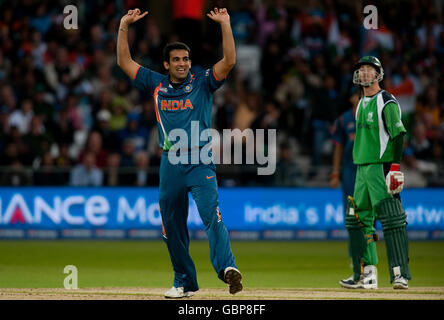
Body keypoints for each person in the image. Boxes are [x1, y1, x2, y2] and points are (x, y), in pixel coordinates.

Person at [117, 7, 242, 298]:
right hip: (170, 161)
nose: (183, 64)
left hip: (200, 160)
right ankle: (184, 282)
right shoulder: (155, 83)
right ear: (167, 64)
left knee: (213, 216)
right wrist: (124, 25)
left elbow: (230, 61)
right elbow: (124, 61)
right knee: (171, 227)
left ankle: (227, 269)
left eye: (185, 59)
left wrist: (225, 24)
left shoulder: (203, 82)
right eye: (176, 60)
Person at [339, 56, 411, 290]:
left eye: (369, 69)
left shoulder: (387, 102)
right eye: (361, 70)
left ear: (378, 74)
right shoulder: (360, 104)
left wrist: (395, 168)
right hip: (361, 168)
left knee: (391, 219)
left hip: (381, 167)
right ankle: (367, 274)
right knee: (359, 220)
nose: (365, 73)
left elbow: (398, 135)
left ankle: (400, 274)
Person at [330, 91, 359, 260]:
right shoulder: (344, 120)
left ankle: (366, 252)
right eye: (356, 94)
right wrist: (335, 172)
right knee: (350, 213)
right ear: (351, 97)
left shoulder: (372, 115)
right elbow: (338, 147)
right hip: (349, 170)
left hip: (368, 169)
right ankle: (354, 254)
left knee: (368, 214)